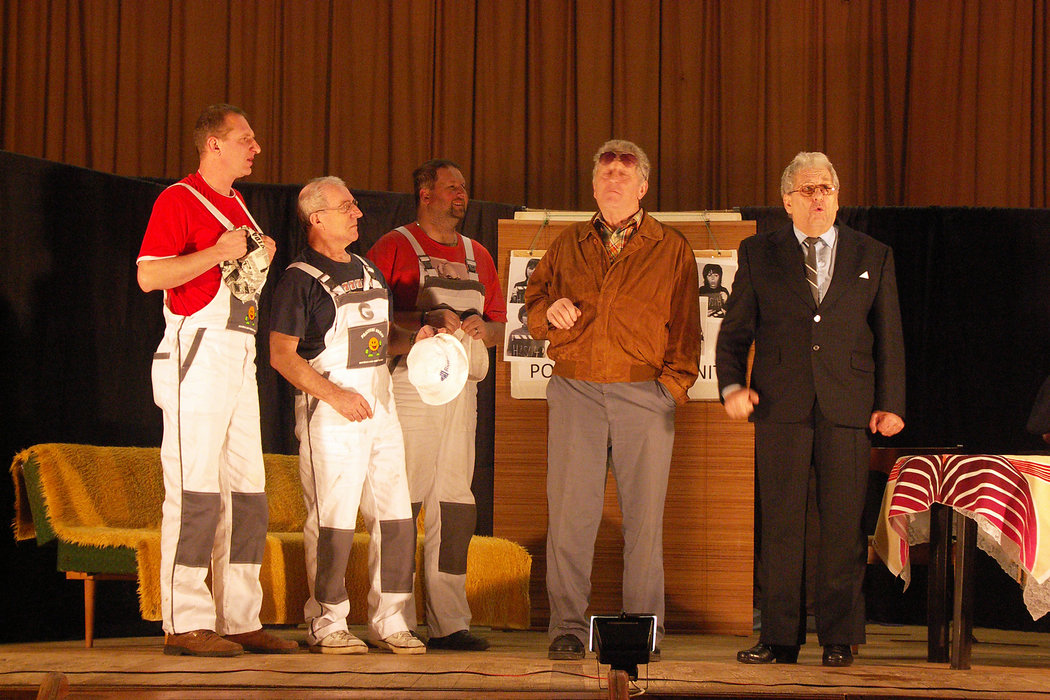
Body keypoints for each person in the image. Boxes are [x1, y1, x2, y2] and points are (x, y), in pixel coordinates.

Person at [716, 151, 906, 667]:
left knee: (843, 527)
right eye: (807, 189)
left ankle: (839, 637)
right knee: (781, 524)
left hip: (849, 406)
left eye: (826, 188)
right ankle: (779, 637)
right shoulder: (759, 252)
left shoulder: (873, 254)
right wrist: (732, 387)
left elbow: (889, 336)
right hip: (781, 405)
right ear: (787, 201)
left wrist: (891, 404)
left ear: (837, 197)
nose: (818, 197)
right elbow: (734, 333)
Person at [523, 139, 700, 661]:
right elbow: (533, 303)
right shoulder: (567, 242)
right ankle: (567, 629)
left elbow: (687, 327)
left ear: (643, 187)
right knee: (570, 518)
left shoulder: (671, 247)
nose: (614, 180)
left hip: (644, 393)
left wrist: (671, 388)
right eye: (606, 173)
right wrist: (547, 312)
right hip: (575, 390)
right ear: (594, 187)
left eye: (625, 173)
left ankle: (644, 630)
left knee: (644, 523)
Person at [136, 104, 298, 657]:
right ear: (213, 145)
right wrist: (218, 252)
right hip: (197, 351)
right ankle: (185, 621)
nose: (256, 148)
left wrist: (258, 255)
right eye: (245, 139)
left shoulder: (239, 205)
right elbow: (150, 275)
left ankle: (239, 617)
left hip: (238, 352)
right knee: (195, 489)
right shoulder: (178, 199)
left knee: (248, 492)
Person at [269, 176, 430, 655]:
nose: (358, 213)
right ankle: (327, 621)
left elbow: (384, 338)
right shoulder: (299, 279)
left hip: (381, 408)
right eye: (347, 207)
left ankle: (392, 620)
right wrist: (336, 396)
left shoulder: (368, 269)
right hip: (331, 416)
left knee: (396, 517)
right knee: (334, 522)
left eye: (356, 205)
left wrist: (416, 339)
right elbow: (281, 355)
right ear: (316, 218)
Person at [366, 159, 507, 651]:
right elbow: (367, 318)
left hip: (463, 389)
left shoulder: (479, 255)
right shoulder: (394, 246)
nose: (460, 195)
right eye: (451, 188)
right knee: (401, 499)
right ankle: (393, 618)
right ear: (425, 194)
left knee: (455, 502)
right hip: (411, 386)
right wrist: (425, 318)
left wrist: (484, 329)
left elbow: (499, 325)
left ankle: (450, 620)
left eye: (463, 188)